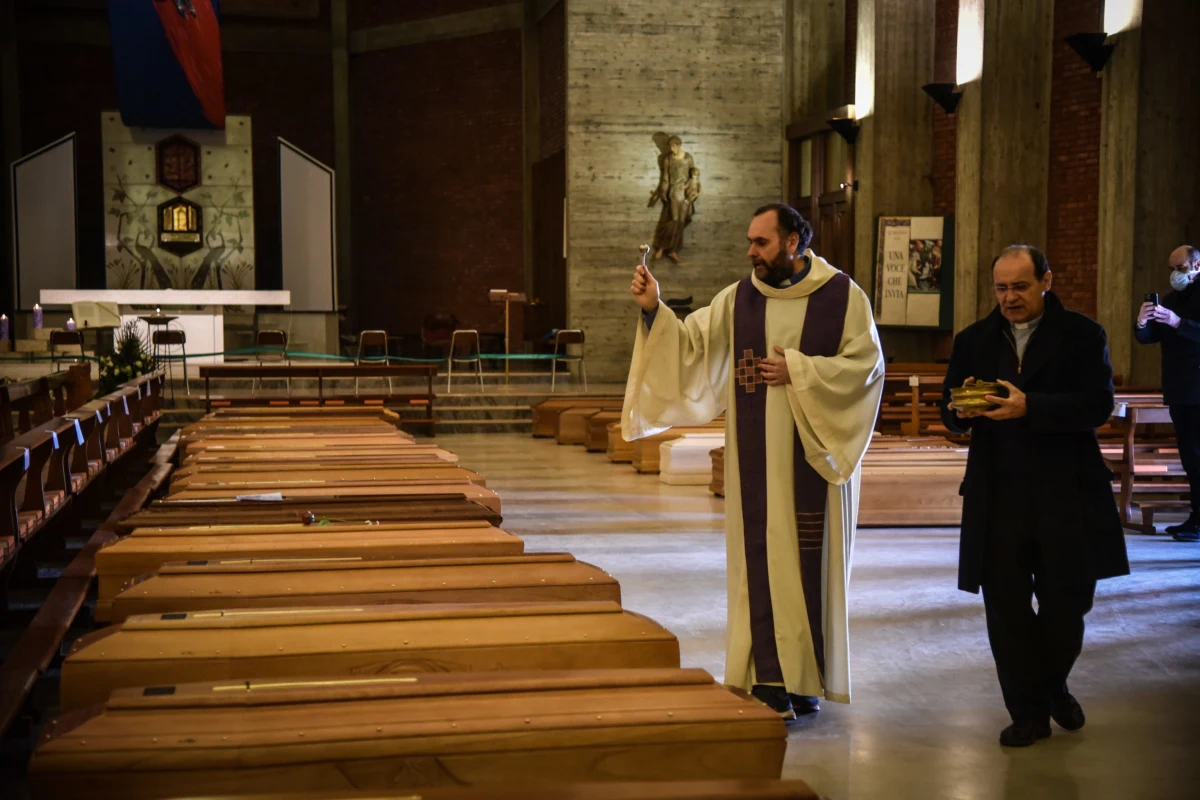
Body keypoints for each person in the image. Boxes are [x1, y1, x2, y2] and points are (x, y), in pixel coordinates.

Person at [623, 202, 884, 719]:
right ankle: (769, 680)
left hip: (813, 459)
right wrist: (655, 309)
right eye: (750, 242)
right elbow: (690, 345)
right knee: (761, 566)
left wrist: (801, 371)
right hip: (755, 468)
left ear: (792, 242)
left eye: (761, 242)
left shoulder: (842, 297)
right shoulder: (739, 298)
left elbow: (867, 368)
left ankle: (805, 681)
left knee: (810, 568)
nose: (750, 252)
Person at [941, 245, 1129, 747]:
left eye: (1020, 286)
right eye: (1001, 288)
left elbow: (1098, 404)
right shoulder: (975, 339)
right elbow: (949, 406)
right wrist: (961, 412)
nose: (1009, 298)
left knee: (1068, 603)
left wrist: (1032, 407)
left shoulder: (1084, 335)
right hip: (997, 492)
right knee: (1005, 608)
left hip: (1066, 491)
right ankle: (1028, 713)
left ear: (1045, 280)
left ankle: (1051, 687)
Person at [1135, 245, 1200, 541]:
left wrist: (1178, 322)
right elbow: (1149, 338)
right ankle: (1195, 517)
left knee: (1198, 456)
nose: (1176, 274)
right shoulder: (1173, 299)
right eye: (1172, 269)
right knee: (1189, 456)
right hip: (1179, 388)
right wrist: (1142, 321)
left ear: (1197, 265)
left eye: (1181, 268)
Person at [647, 136, 701, 263]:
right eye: (670, 146)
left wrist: (693, 192)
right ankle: (662, 247)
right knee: (673, 221)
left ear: (678, 145)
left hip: (685, 194)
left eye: (674, 146)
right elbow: (665, 177)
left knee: (681, 223)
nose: (672, 149)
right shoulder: (667, 159)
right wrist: (662, 193)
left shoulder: (688, 158)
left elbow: (694, 176)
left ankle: (672, 250)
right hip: (674, 192)